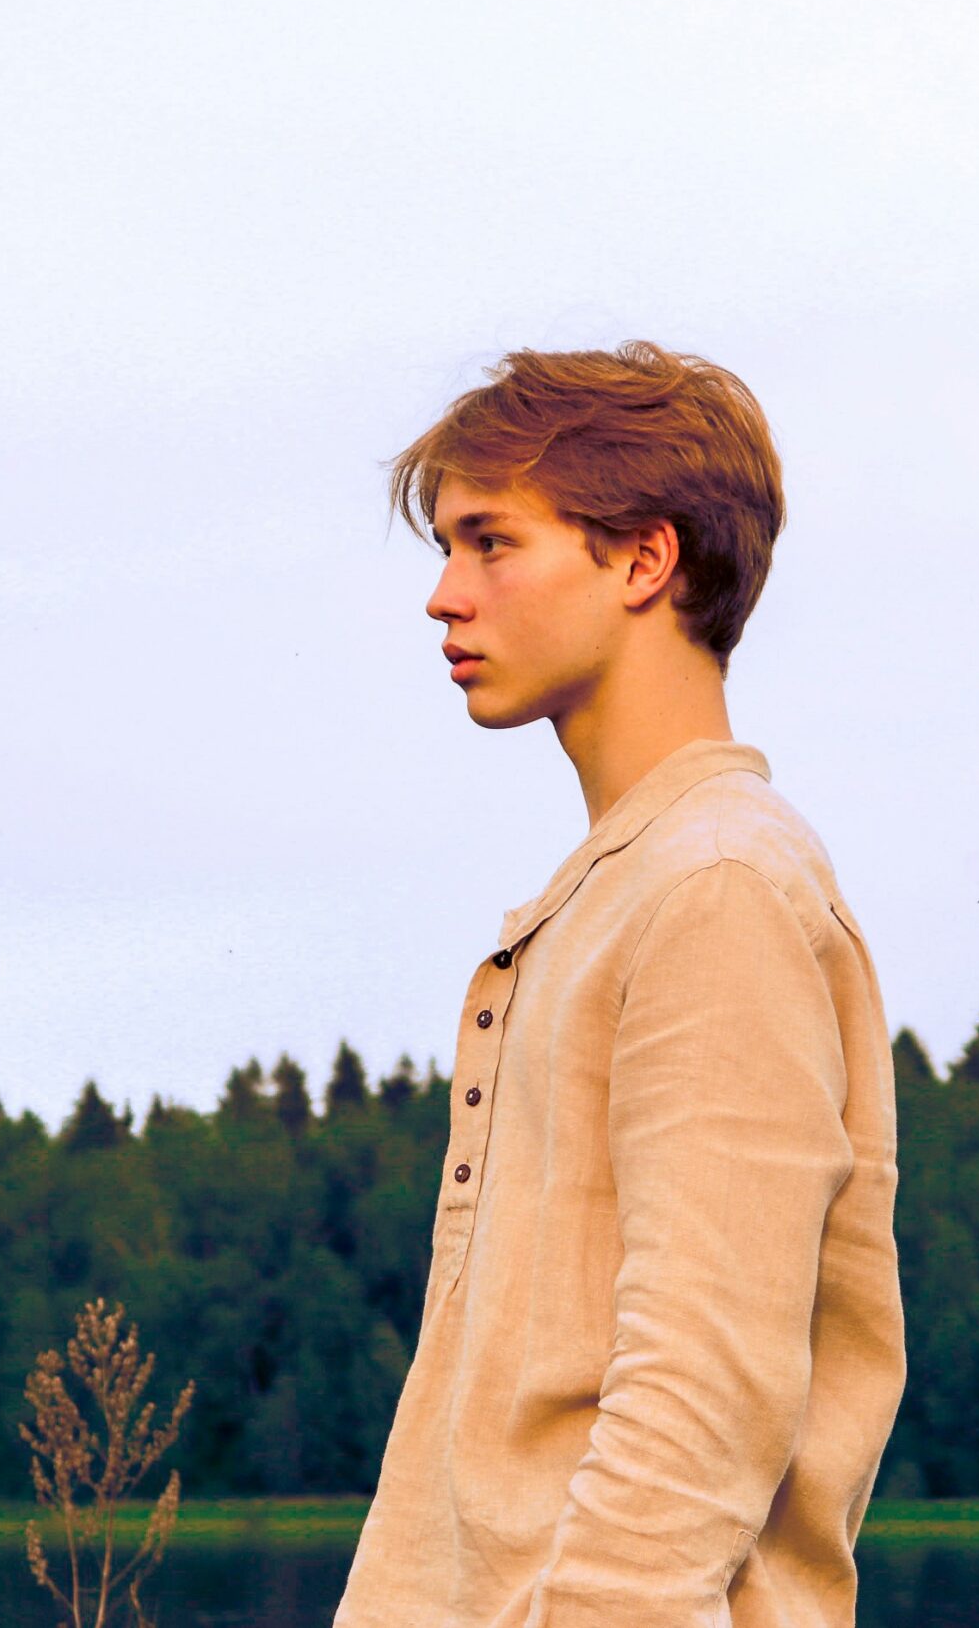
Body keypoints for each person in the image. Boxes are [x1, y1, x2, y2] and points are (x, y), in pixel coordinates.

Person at [332, 341, 905, 1627]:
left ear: (645, 561)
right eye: (447, 547)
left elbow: (702, 1391)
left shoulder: (716, 888)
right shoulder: (623, 891)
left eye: (491, 543)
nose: (442, 596)